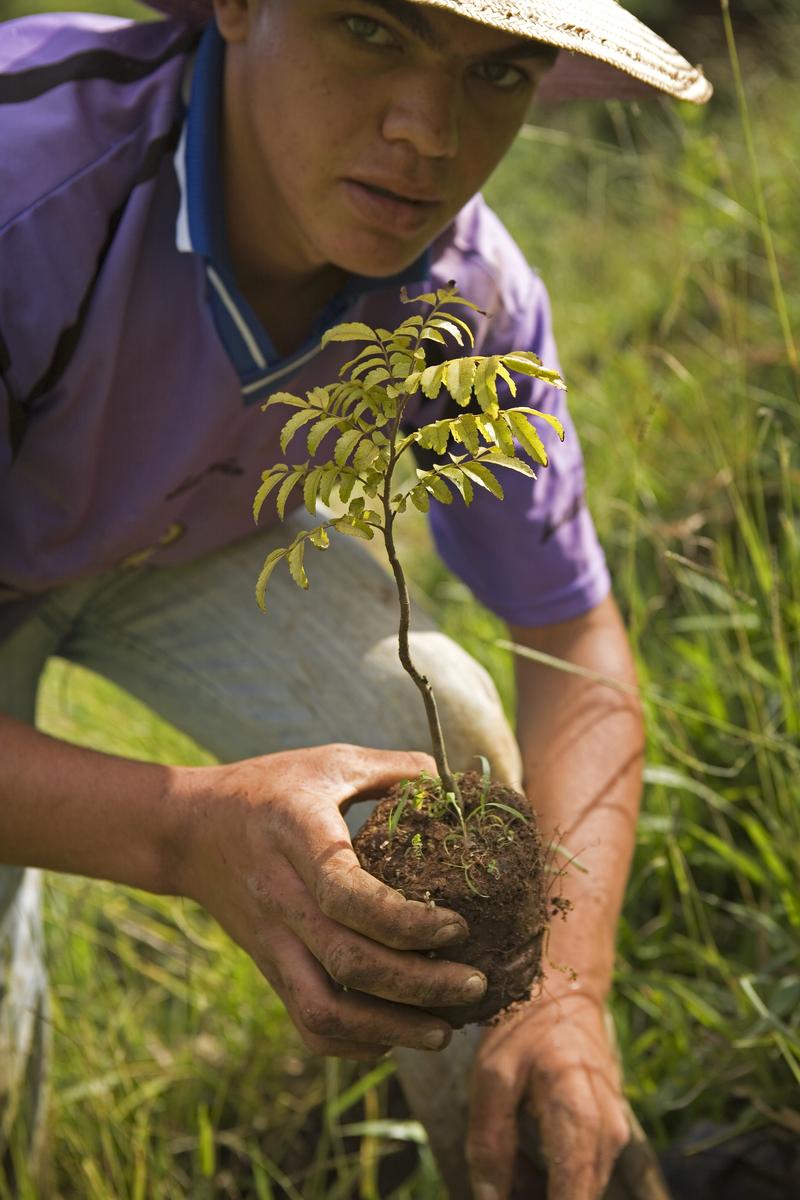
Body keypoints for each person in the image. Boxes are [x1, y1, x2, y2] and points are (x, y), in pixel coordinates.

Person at [0, 1, 711, 1196]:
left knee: (432, 750)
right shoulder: (28, 195)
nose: (428, 131)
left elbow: (569, 634)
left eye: (497, 71)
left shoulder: (466, 306)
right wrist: (185, 831)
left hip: (187, 538)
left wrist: (568, 992)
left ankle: (529, 1154)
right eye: (369, 30)